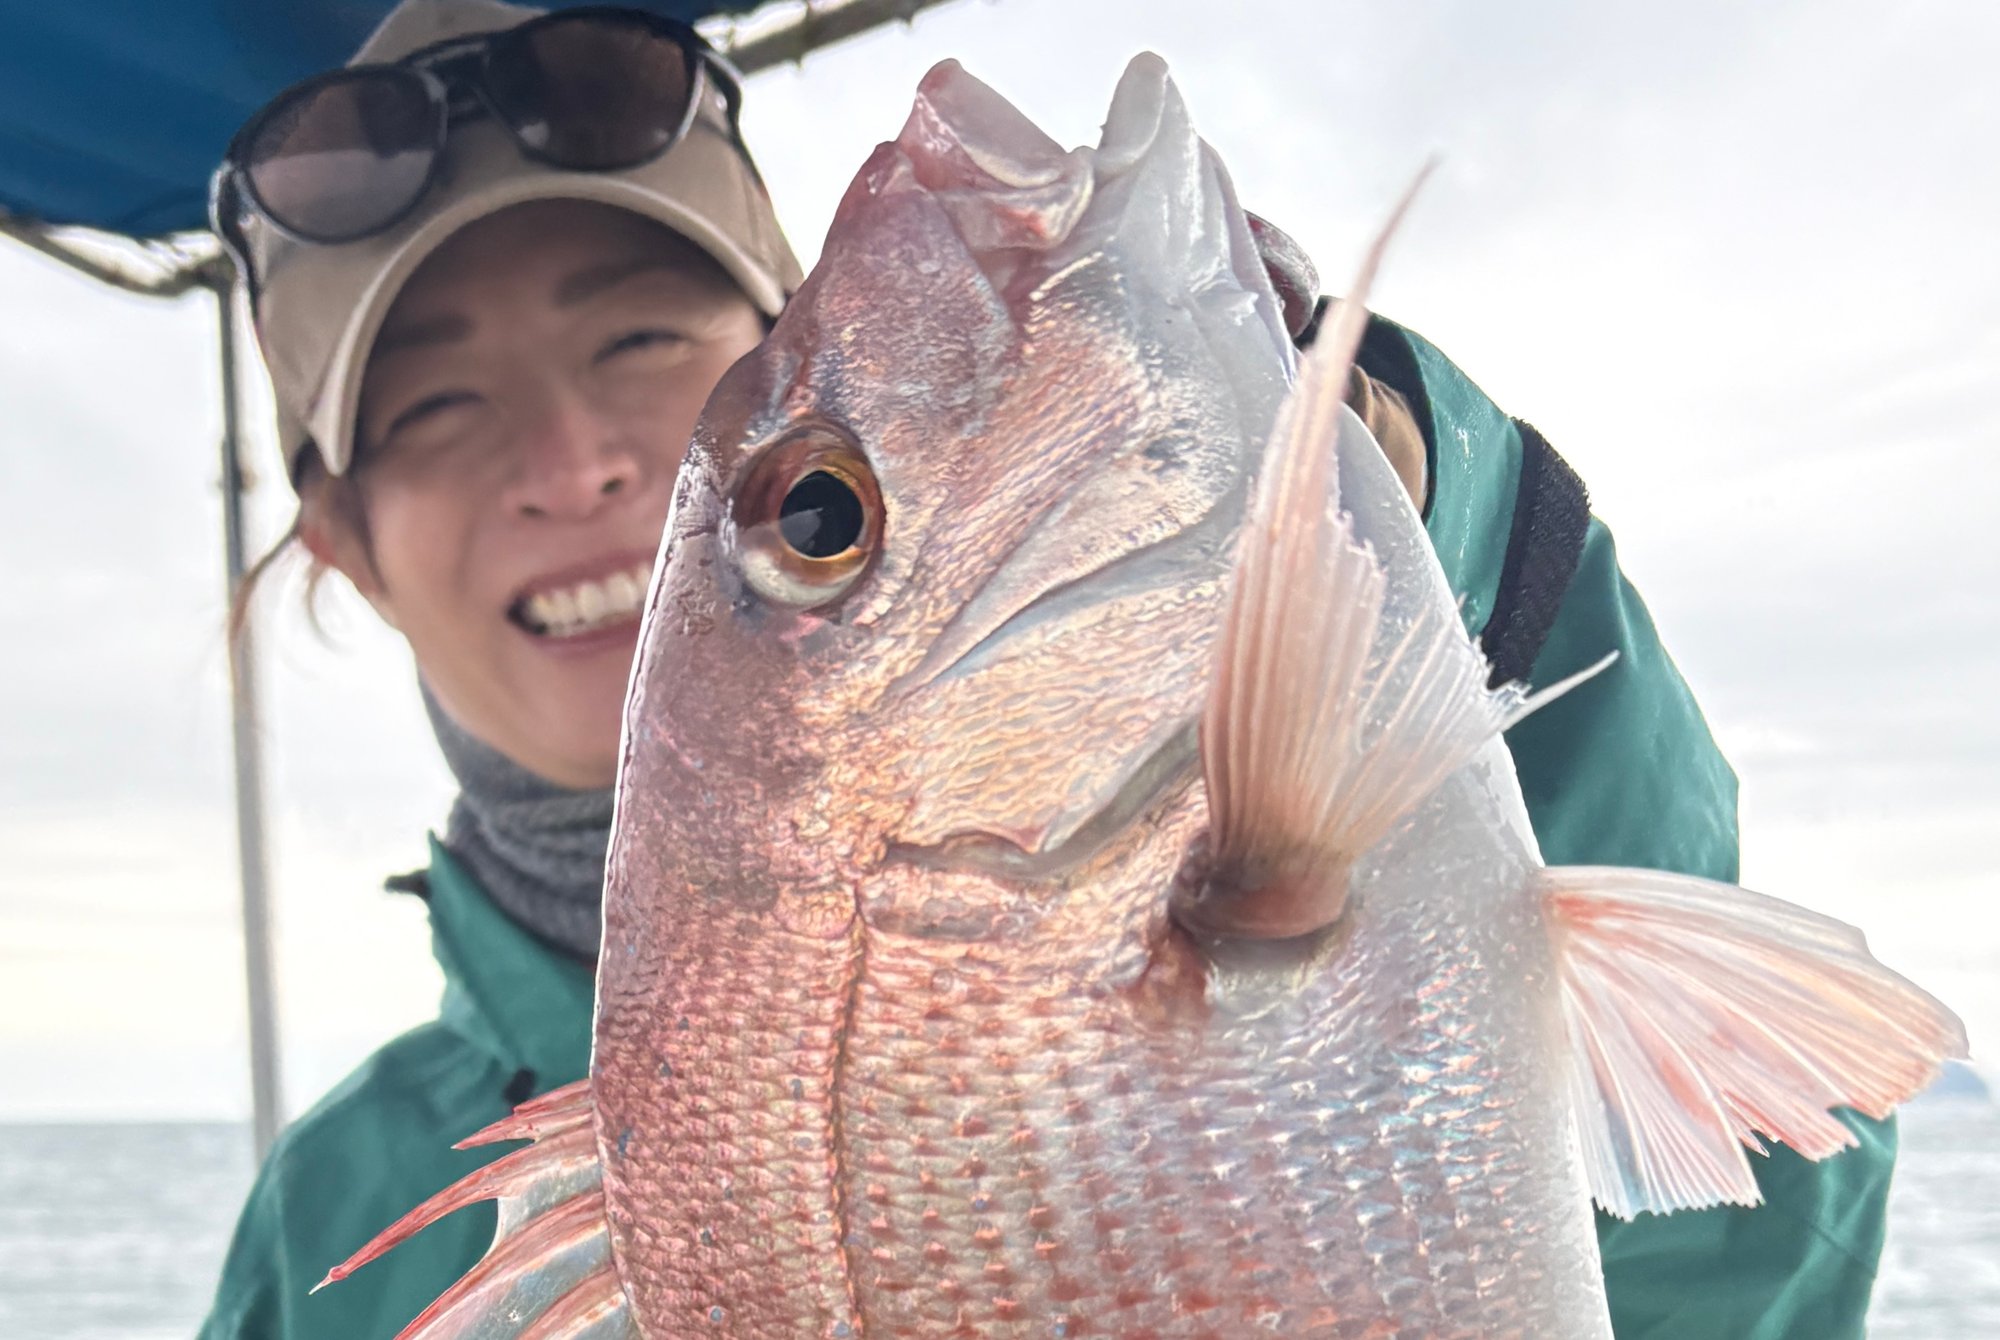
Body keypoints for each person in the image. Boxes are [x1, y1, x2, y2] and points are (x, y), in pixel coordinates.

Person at [196, 3, 1895, 1337]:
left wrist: (1436, 535)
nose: (567, 462)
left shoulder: (1367, 649)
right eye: (432, 409)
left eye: (643, 343)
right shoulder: (325, 1234)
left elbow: (1744, 1262)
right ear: (340, 543)